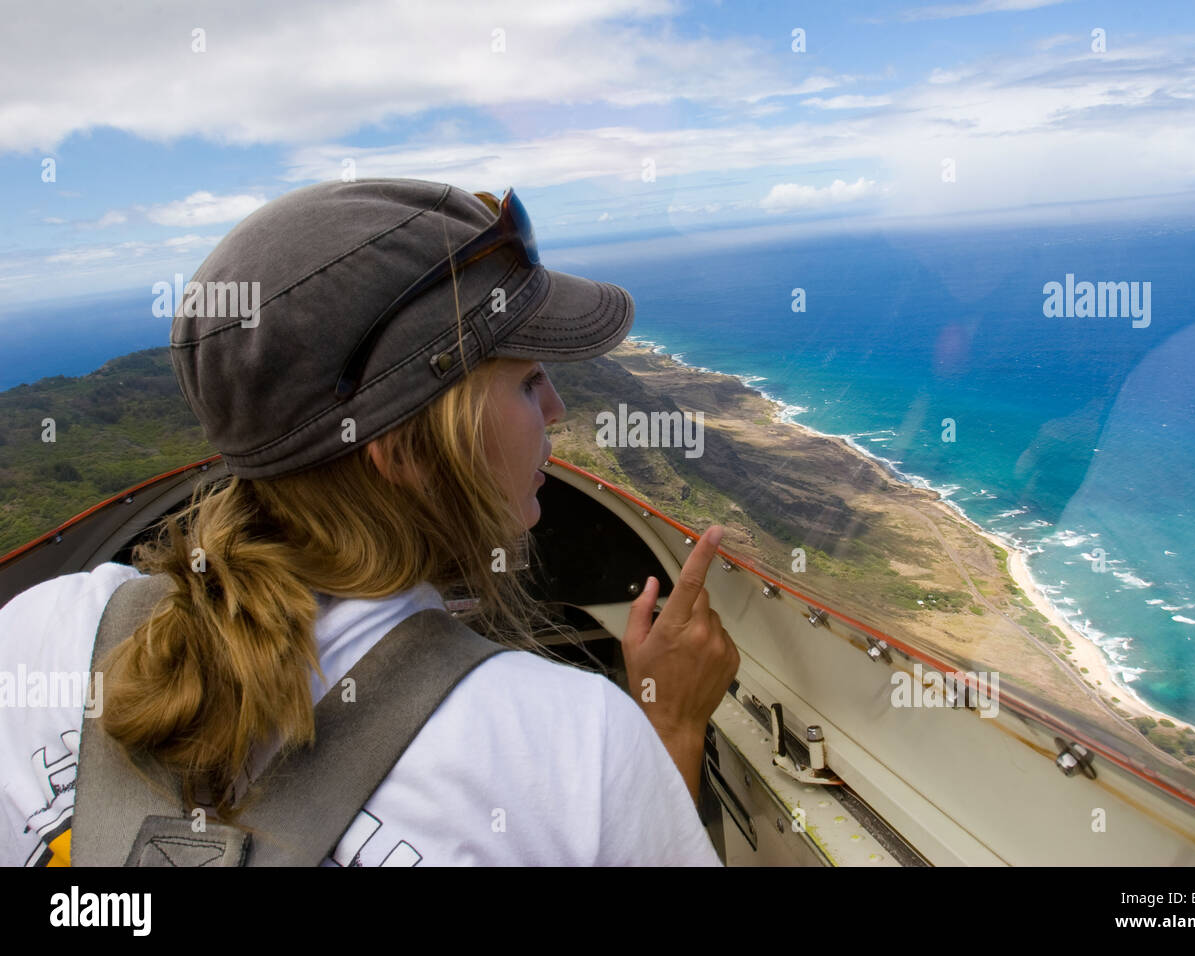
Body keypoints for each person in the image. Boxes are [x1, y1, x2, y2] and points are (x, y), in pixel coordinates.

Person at [0, 179, 739, 866]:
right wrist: (668, 728)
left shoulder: (43, 632)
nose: (556, 410)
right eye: (526, 381)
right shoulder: (574, 745)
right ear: (408, 454)